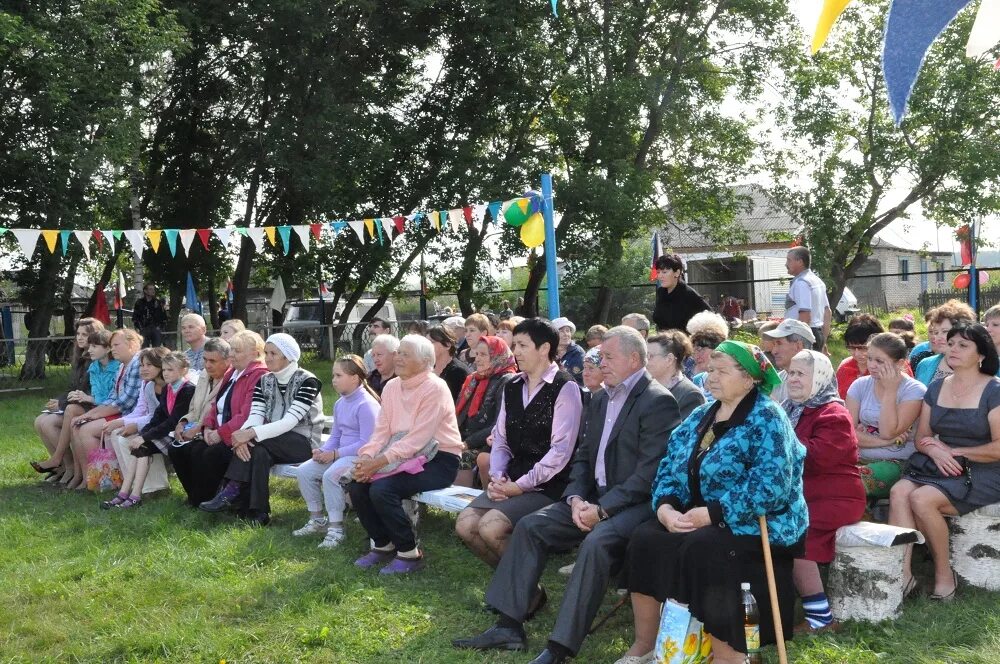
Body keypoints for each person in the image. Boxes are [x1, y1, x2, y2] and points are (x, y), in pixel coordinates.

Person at [453, 326, 681, 664]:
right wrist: (575, 498)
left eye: (607, 357)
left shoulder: (657, 401)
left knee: (595, 544)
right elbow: (584, 456)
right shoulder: (603, 397)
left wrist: (601, 510)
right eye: (599, 356)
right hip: (591, 501)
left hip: (636, 506)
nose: (599, 363)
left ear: (634, 359)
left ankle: (559, 649)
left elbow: (649, 475)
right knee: (531, 526)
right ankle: (509, 625)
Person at [616, 341, 806, 664]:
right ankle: (647, 644)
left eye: (721, 371)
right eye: (711, 369)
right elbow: (670, 465)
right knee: (646, 539)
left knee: (708, 549)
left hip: (759, 522)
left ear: (748, 379)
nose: (710, 376)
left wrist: (715, 513)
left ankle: (730, 654)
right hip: (699, 515)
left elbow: (772, 485)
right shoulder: (702, 415)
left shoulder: (768, 418)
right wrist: (666, 507)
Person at [455, 320, 582, 569]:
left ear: (544, 348)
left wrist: (520, 486)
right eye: (515, 345)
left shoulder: (565, 387)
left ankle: (526, 590)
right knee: (465, 525)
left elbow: (560, 452)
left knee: (490, 528)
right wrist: (498, 477)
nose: (516, 352)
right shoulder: (512, 385)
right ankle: (511, 582)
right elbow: (500, 438)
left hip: (548, 485)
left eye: (523, 345)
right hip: (511, 479)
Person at [890, 323, 1000, 602]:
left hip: (984, 468)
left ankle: (943, 575)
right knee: (899, 491)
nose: (952, 349)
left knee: (922, 499)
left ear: (982, 356)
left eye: (963, 345)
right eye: (951, 343)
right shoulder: (936, 387)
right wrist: (937, 452)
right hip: (940, 463)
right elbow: (923, 437)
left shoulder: (994, 390)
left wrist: (952, 452)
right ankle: (903, 576)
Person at [347, 335, 463, 574]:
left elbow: (419, 438)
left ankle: (409, 553)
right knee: (357, 486)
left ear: (424, 361)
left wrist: (380, 461)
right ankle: (382, 544)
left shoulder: (435, 387)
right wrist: (367, 457)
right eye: (398, 352)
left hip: (439, 458)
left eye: (405, 354)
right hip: (399, 454)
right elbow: (382, 430)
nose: (397, 357)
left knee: (382, 489)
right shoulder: (391, 386)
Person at [199, 333, 324, 526]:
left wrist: (248, 434)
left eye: (274, 353)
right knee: (258, 452)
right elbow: (255, 416)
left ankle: (231, 490)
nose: (268, 357)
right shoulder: (264, 380)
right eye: (266, 353)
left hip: (304, 441)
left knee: (257, 444)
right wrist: (244, 437)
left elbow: (290, 422)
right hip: (269, 441)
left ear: (288, 356)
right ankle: (259, 513)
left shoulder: (308, 381)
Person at [783, 349, 865, 634]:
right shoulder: (791, 408)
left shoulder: (834, 413)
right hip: (804, 493)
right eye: (791, 373)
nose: (792, 379)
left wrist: (778, 439)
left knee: (795, 533)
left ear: (819, 377)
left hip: (836, 496)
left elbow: (819, 458)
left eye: (800, 374)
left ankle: (820, 618)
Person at [170, 330, 268, 507]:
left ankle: (208, 499)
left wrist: (219, 433)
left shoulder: (258, 374)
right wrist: (207, 427)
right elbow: (215, 405)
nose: (232, 354)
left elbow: (246, 414)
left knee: (210, 454)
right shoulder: (234, 373)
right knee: (183, 449)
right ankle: (197, 496)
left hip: (239, 434)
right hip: (218, 430)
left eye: (237, 350)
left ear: (255, 353)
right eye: (232, 350)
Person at [293, 355, 381, 548]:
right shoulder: (341, 403)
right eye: (333, 375)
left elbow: (367, 443)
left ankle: (336, 529)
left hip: (361, 457)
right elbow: (336, 435)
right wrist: (322, 451)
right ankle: (317, 520)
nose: (333, 380)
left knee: (331, 476)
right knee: (304, 471)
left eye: (338, 375)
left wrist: (334, 455)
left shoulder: (366, 404)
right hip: (341, 454)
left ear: (355, 378)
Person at [101, 352, 194, 509]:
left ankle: (134, 496)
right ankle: (128, 494)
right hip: (168, 432)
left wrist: (144, 437)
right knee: (140, 448)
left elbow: (172, 422)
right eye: (164, 370)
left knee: (142, 445)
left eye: (170, 370)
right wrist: (142, 436)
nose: (166, 373)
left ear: (184, 370)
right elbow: (158, 417)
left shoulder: (187, 390)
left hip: (182, 435)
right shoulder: (168, 388)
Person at [845, 332, 926, 499]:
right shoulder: (860, 385)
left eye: (880, 361)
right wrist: (888, 441)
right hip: (859, 457)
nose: (872, 365)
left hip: (898, 461)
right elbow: (848, 434)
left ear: (900, 363)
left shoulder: (914, 390)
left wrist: (890, 390)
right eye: (870, 358)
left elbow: (888, 431)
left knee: (853, 485)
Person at [67, 329, 144, 490]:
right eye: (111, 345)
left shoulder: (136, 364)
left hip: (133, 415)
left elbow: (125, 402)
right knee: (77, 424)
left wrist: (92, 415)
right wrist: (90, 414)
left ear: (131, 345)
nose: (113, 349)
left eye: (116, 345)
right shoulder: (124, 365)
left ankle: (104, 479)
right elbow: (112, 397)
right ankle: (88, 477)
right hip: (121, 412)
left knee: (86, 430)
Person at [31, 317, 105, 480]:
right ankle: (63, 467)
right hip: (78, 403)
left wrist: (63, 403)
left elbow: (89, 391)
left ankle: (68, 467)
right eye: (78, 333)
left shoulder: (96, 359)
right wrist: (58, 401)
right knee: (40, 421)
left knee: (49, 423)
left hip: (92, 406)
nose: (79, 337)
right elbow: (73, 388)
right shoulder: (80, 357)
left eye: (84, 335)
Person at [455, 335, 518, 487]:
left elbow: (498, 423)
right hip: (470, 437)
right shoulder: (475, 379)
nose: (477, 359)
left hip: (493, 442)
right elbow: (461, 415)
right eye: (476, 354)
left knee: (463, 456)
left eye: (483, 354)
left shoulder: (507, 380)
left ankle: (469, 505)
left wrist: (467, 443)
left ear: (497, 356)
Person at [174, 338, 231, 440]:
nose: (207, 365)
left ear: (227, 361)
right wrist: (182, 423)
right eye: (205, 360)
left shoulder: (231, 379)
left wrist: (199, 428)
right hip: (194, 430)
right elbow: (193, 410)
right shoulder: (204, 375)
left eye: (212, 361)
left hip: (213, 433)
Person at [915, 300, 977, 386]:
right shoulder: (925, 364)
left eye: (945, 331)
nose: (938, 337)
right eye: (936, 332)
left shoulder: (982, 364)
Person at [646, 331, 705, 420]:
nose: (644, 361)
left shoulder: (691, 396)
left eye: (649, 356)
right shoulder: (644, 388)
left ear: (669, 359)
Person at [784, 246, 831, 352]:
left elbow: (805, 316)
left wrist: (799, 342)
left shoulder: (801, 283)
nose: (786, 264)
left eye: (789, 260)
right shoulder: (817, 281)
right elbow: (827, 312)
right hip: (816, 334)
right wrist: (823, 340)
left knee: (801, 368)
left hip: (802, 336)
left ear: (800, 262)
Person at [651, 253, 710, 333]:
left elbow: (711, 319)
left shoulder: (689, 295)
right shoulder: (661, 292)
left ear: (677, 273)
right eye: (658, 272)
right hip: (663, 342)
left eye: (664, 272)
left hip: (684, 343)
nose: (660, 276)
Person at [762, 318, 815, 403]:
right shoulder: (778, 380)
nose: (773, 351)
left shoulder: (817, 381)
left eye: (779, 343)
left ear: (798, 346)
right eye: (774, 344)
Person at [837, 313, 886, 399]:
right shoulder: (844, 367)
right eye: (852, 347)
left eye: (863, 348)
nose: (857, 354)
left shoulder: (893, 365)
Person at [687, 311, 730, 396]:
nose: (696, 355)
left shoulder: (729, 375)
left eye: (700, 349)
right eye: (694, 350)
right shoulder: (688, 368)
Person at [427, 325, 471, 402]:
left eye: (431, 342)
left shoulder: (459, 372)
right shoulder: (427, 368)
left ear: (447, 345)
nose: (426, 346)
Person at [552, 316, 584, 386]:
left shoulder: (577, 352)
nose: (566, 334)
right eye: (561, 331)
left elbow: (577, 379)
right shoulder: (549, 352)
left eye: (568, 331)